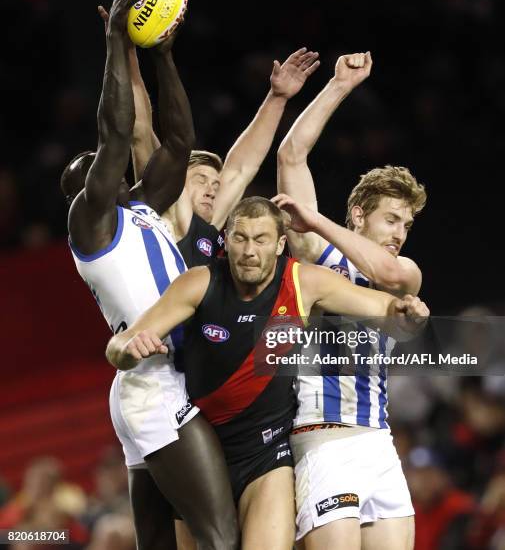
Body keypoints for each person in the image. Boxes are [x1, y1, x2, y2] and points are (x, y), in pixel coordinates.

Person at [105, 196, 429, 550]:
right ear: (225, 240)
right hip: (201, 451)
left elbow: (386, 309)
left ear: (279, 244)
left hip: (267, 453)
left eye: (260, 240)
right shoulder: (199, 282)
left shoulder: (304, 282)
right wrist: (128, 351)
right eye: (240, 238)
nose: (248, 251)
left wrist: (408, 311)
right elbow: (119, 345)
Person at [61, 0, 238, 550]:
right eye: (90, 170)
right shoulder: (92, 224)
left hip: (152, 380)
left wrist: (162, 55)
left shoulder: (138, 207)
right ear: (84, 188)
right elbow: (115, 136)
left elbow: (180, 143)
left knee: (160, 542)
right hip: (154, 381)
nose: (102, 168)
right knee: (220, 536)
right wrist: (116, 41)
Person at [275, 51, 427, 549]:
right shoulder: (318, 259)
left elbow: (383, 270)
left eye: (407, 224)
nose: (401, 233)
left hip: (377, 439)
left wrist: (314, 218)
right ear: (359, 214)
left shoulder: (402, 272)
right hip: (322, 436)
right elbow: (291, 156)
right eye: (392, 220)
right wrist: (339, 86)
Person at [126, 42, 320, 267]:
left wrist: (277, 98)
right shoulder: (158, 211)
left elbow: (241, 169)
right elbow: (140, 128)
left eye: (216, 186)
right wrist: (126, 49)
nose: (211, 191)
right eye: (201, 180)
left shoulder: (206, 233)